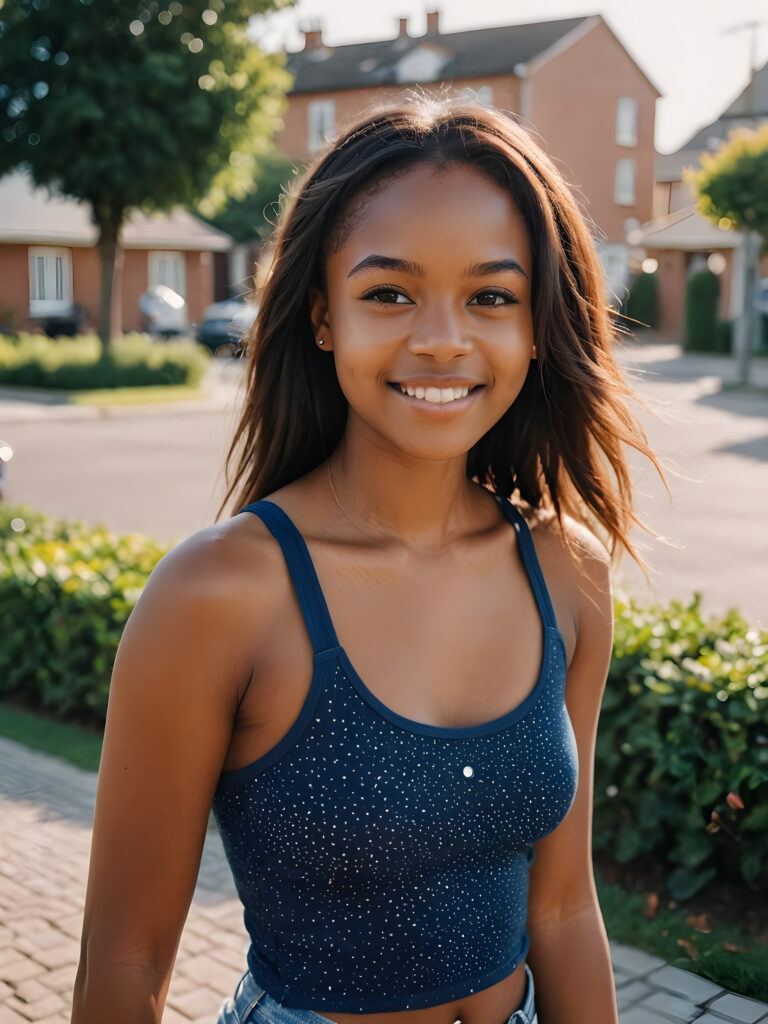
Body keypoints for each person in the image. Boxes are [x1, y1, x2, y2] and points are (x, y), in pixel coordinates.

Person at [72, 93, 668, 1024]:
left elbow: (562, 906)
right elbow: (127, 961)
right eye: (389, 293)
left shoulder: (566, 571)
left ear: (536, 322)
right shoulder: (221, 593)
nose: (441, 339)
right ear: (322, 317)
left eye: (491, 297)